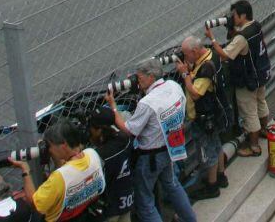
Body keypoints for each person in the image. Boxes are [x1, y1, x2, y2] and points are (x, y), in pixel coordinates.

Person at [104, 59, 197, 222]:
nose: (137, 81)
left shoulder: (147, 103)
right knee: (172, 186)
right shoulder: (174, 86)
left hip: (150, 157)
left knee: (145, 201)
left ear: (151, 77)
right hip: (171, 148)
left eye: (140, 78)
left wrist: (113, 106)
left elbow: (128, 130)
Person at [206, 0, 271, 158]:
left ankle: (254, 146)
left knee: (249, 113)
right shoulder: (256, 25)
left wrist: (212, 39)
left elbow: (224, 56)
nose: (232, 17)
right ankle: (263, 130)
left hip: (247, 80)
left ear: (242, 16)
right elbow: (242, 39)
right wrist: (233, 29)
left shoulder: (241, 38)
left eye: (234, 15)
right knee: (261, 102)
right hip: (260, 74)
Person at [7, 118, 105, 222]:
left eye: (49, 146)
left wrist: (25, 169)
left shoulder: (59, 178)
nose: (48, 150)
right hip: (86, 214)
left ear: (63, 146)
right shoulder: (92, 154)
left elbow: (34, 203)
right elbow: (72, 172)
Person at [177, 35, 228, 199]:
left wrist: (185, 75)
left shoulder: (206, 67)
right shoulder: (211, 55)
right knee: (217, 144)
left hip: (205, 117)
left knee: (207, 152)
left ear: (194, 51)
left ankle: (212, 186)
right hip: (214, 113)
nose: (185, 58)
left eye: (186, 54)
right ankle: (221, 176)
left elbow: (196, 93)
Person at [87, 108, 134, 222]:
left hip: (109, 207)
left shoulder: (99, 156)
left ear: (99, 131)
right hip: (127, 200)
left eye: (91, 128)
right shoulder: (125, 139)